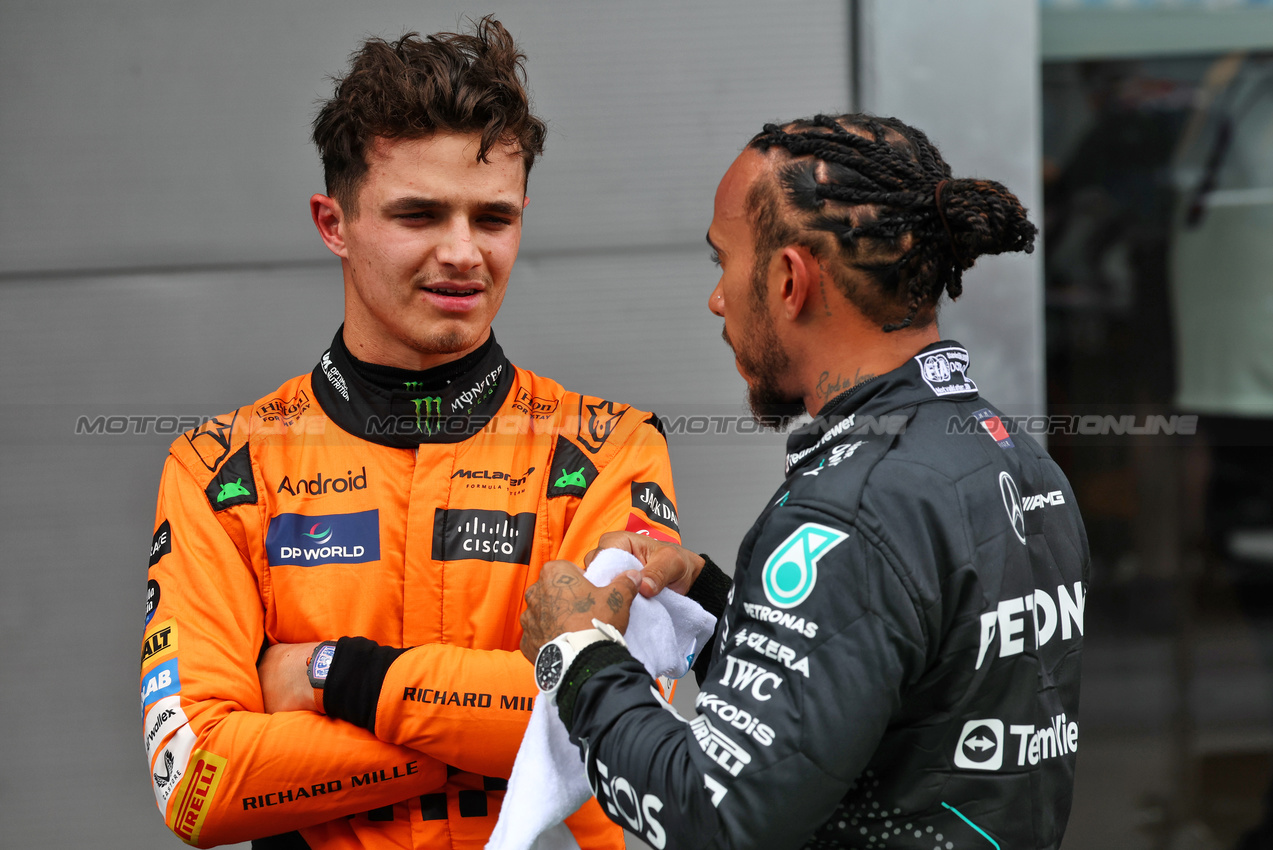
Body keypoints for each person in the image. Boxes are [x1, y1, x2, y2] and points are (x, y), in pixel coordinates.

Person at [139, 19, 679, 850]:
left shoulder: (608, 447)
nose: (462, 253)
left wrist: (334, 677)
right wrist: (521, 729)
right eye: (419, 214)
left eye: (492, 218)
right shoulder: (226, 467)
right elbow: (198, 783)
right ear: (334, 223)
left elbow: (632, 728)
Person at [519, 114, 1089, 850]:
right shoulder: (1013, 456)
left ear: (789, 280)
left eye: (723, 261)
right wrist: (711, 602)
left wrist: (575, 656)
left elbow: (714, 819)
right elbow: (879, 704)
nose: (716, 300)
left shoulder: (852, 509)